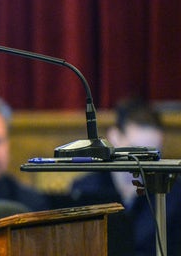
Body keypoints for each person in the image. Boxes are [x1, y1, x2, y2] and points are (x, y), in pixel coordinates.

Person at [70, 98, 181, 256]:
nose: (143, 162)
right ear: (114, 137)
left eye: (153, 153)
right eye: (136, 151)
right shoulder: (84, 190)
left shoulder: (174, 193)